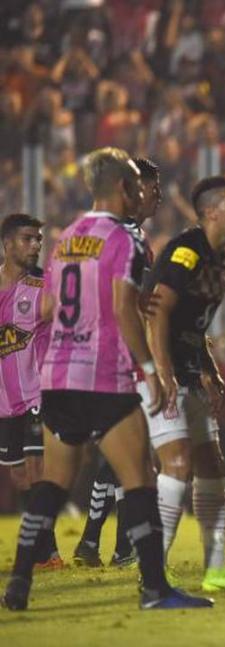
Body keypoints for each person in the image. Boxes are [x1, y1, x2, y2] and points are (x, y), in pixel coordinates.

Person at [2, 147, 211, 611]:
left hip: (56, 375)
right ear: (121, 187)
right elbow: (121, 308)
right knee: (139, 480)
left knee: (53, 483)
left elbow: (54, 307)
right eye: (136, 183)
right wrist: (153, 370)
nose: (141, 191)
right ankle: (155, 589)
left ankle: (19, 580)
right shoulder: (126, 239)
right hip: (102, 374)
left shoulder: (66, 237)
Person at [143, 174, 225, 592]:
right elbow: (156, 313)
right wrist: (163, 373)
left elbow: (194, 327)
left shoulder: (221, 262)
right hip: (160, 371)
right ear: (211, 212)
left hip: (188, 370)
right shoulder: (186, 250)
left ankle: (216, 570)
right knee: (177, 463)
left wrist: (208, 368)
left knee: (212, 465)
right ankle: (152, 571)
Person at [74, 156, 161, 568]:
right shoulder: (127, 238)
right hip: (116, 357)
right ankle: (119, 545)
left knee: (114, 455)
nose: (155, 196)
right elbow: (132, 307)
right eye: (149, 187)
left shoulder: (90, 231)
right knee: (130, 454)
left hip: (85, 355)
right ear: (129, 188)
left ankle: (95, 541)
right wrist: (151, 362)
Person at [0, 213, 60, 568]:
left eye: (38, 239)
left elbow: (69, 308)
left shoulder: (41, 287)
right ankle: (42, 548)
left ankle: (47, 552)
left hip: (37, 395)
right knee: (21, 476)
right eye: (28, 239)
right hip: (4, 402)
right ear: (7, 244)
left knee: (39, 469)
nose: (36, 245)